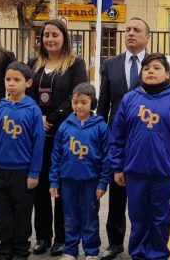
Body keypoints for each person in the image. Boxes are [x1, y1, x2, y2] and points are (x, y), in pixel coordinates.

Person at [109, 53, 170, 259]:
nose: (150, 71)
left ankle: (157, 255)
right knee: (138, 218)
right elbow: (117, 136)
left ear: (167, 74)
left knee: (160, 219)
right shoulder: (130, 99)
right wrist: (117, 167)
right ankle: (138, 254)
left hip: (164, 174)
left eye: (156, 68)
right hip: (134, 172)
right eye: (146, 68)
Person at [27, 19, 88, 256]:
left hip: (64, 134)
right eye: (46, 35)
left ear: (64, 37)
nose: (50, 39)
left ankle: (62, 238)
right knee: (40, 188)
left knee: (61, 189)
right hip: (38, 135)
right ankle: (42, 236)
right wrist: (37, 116)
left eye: (55, 34)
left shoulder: (75, 64)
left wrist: (51, 116)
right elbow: (28, 92)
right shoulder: (34, 64)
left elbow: (78, 94)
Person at [97, 17, 151, 260]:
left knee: (143, 195)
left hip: (145, 138)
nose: (130, 33)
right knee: (117, 194)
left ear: (147, 37)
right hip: (117, 138)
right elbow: (103, 104)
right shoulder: (111, 64)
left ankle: (144, 242)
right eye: (127, 29)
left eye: (136, 30)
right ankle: (115, 243)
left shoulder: (154, 64)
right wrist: (103, 134)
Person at [0, 62, 45, 260]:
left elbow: (38, 144)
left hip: (23, 172)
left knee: (22, 214)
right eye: (8, 80)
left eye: (16, 80)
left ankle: (20, 250)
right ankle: (4, 250)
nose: (11, 84)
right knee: (3, 214)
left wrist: (34, 173)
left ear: (28, 83)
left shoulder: (33, 110)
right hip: (0, 170)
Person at [49, 83, 111, 260]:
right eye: (76, 102)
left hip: (90, 182)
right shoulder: (65, 126)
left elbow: (107, 157)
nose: (79, 106)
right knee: (69, 218)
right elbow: (56, 155)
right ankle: (70, 250)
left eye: (83, 102)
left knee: (90, 218)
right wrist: (54, 181)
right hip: (68, 181)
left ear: (93, 103)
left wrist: (103, 182)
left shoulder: (101, 127)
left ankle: (91, 251)